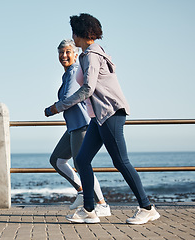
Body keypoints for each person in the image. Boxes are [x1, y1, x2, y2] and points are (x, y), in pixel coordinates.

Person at [45, 13, 160, 224]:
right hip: (98, 116)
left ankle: (147, 207)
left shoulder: (91, 55)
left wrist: (57, 107)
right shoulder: (89, 54)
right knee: (82, 159)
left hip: (110, 113)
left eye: (74, 33)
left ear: (80, 33)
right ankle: (89, 209)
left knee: (121, 161)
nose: (73, 36)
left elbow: (88, 88)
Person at [45, 39, 110, 217]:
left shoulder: (74, 72)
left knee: (82, 165)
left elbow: (68, 98)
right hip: (73, 126)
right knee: (57, 160)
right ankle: (82, 191)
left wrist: (52, 109)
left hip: (82, 124)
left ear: (75, 54)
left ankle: (102, 204)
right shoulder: (67, 74)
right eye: (61, 52)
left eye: (67, 52)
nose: (64, 55)